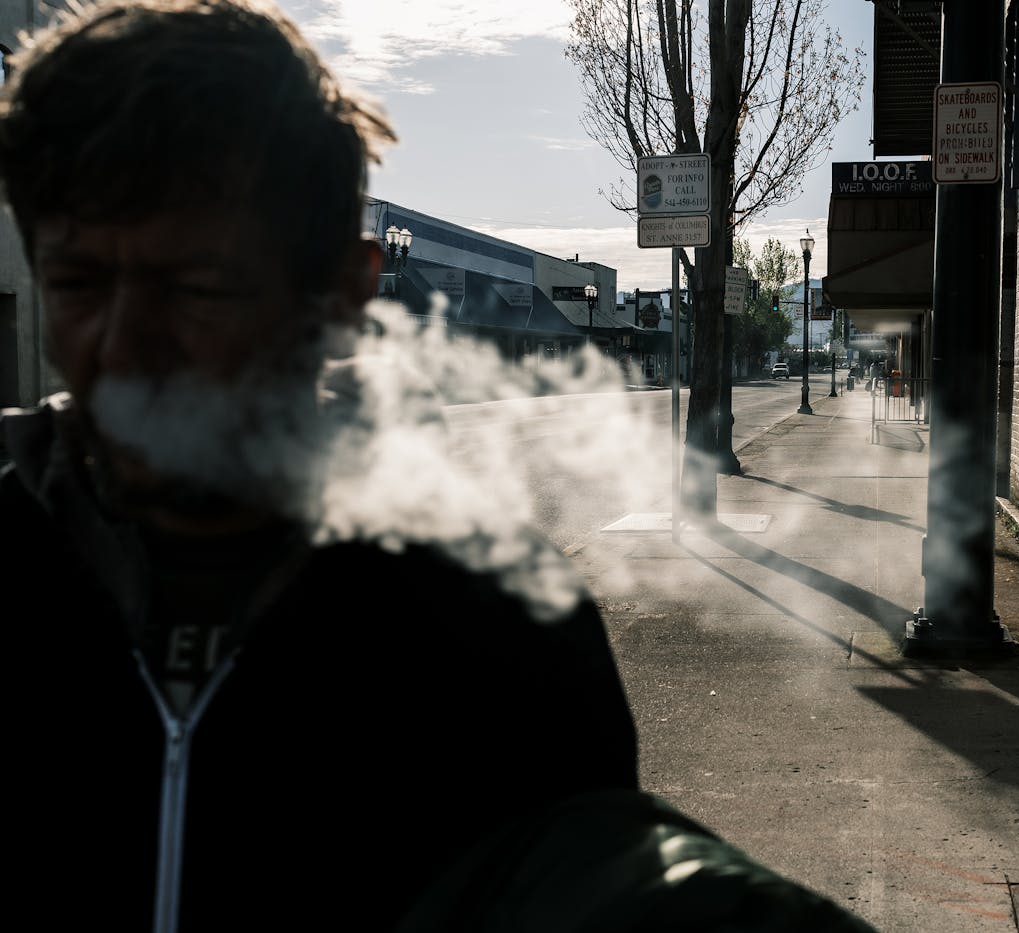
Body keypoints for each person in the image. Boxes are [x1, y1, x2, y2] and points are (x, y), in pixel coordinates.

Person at [0, 3, 875, 931]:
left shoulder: (491, 612)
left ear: (342, 294)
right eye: (80, 283)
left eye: (198, 285)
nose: (126, 343)